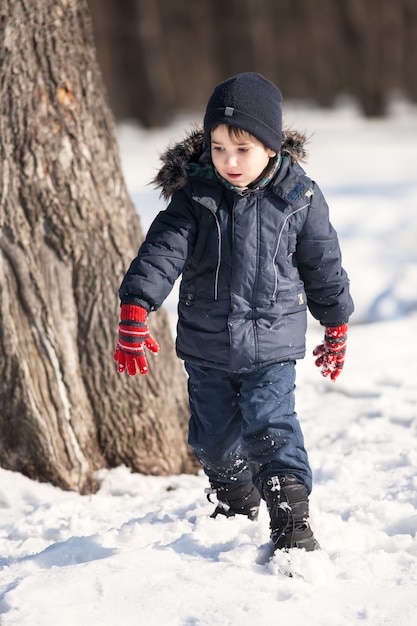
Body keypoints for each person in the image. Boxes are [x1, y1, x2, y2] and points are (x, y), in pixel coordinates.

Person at [114, 72, 354, 552]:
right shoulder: (195, 197)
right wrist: (136, 307)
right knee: (212, 439)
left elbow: (323, 264)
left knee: (272, 425)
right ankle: (233, 495)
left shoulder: (299, 196)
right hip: (207, 345)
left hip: (271, 345)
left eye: (242, 148)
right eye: (219, 147)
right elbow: (162, 252)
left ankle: (291, 520)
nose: (229, 160)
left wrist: (336, 325)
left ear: (270, 145)